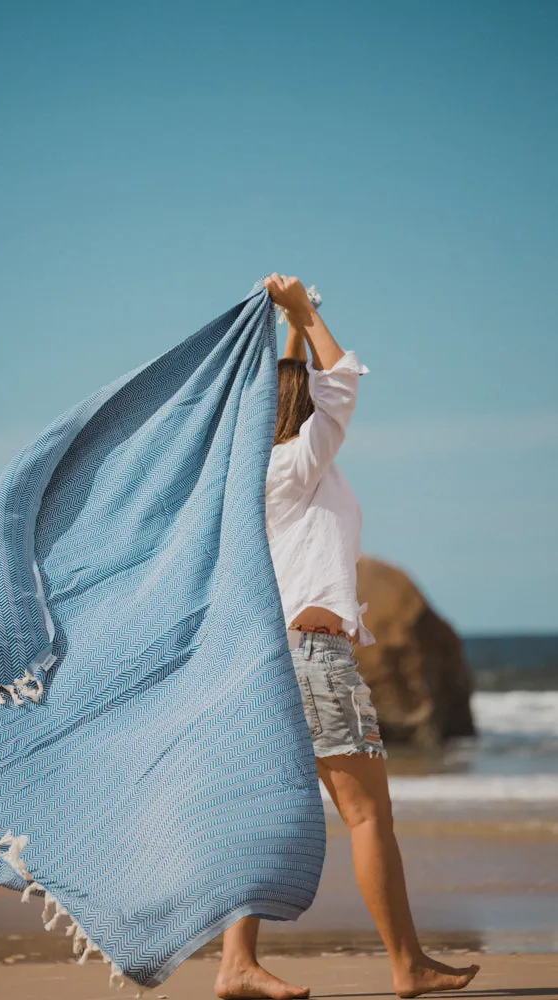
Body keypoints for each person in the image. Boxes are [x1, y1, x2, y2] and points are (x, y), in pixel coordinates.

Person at [214, 274, 480, 1000]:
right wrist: (302, 312)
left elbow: (301, 381)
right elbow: (338, 384)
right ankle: (407, 965)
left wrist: (289, 329)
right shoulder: (299, 463)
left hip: (267, 663)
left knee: (264, 813)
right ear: (298, 412)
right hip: (311, 659)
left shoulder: (255, 475)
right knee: (368, 817)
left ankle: (236, 963)